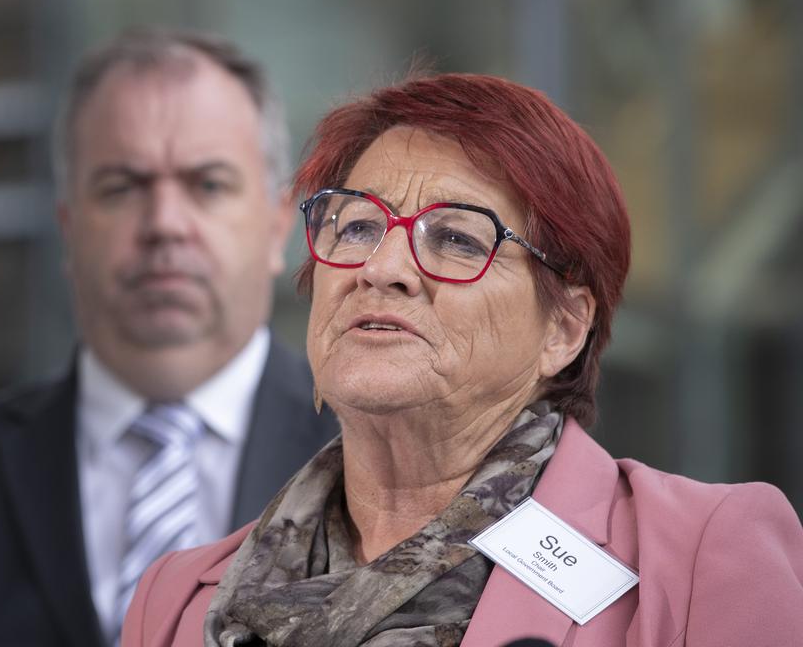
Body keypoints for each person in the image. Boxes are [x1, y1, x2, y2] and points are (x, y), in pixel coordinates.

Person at [120, 72, 803, 646]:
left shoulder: (700, 557)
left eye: (456, 239)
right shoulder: (176, 600)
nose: (383, 268)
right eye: (356, 226)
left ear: (563, 328)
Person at [0, 28, 339, 647]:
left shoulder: (371, 457)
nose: (164, 225)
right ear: (69, 229)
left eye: (207, 184)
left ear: (277, 223)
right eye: (123, 187)